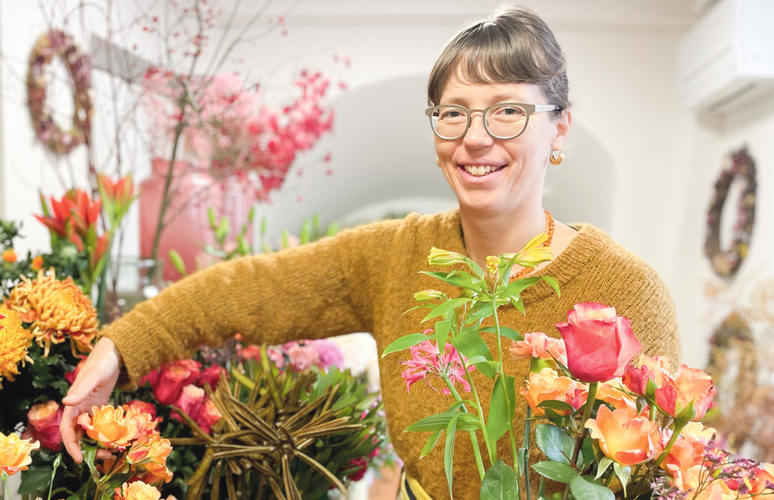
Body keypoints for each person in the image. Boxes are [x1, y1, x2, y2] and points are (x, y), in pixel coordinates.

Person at [60, 6, 680, 499]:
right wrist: (121, 347)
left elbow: (662, 476)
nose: (475, 138)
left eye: (508, 111)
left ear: (560, 126)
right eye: (453, 113)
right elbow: (251, 290)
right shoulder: (397, 257)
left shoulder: (626, 292)